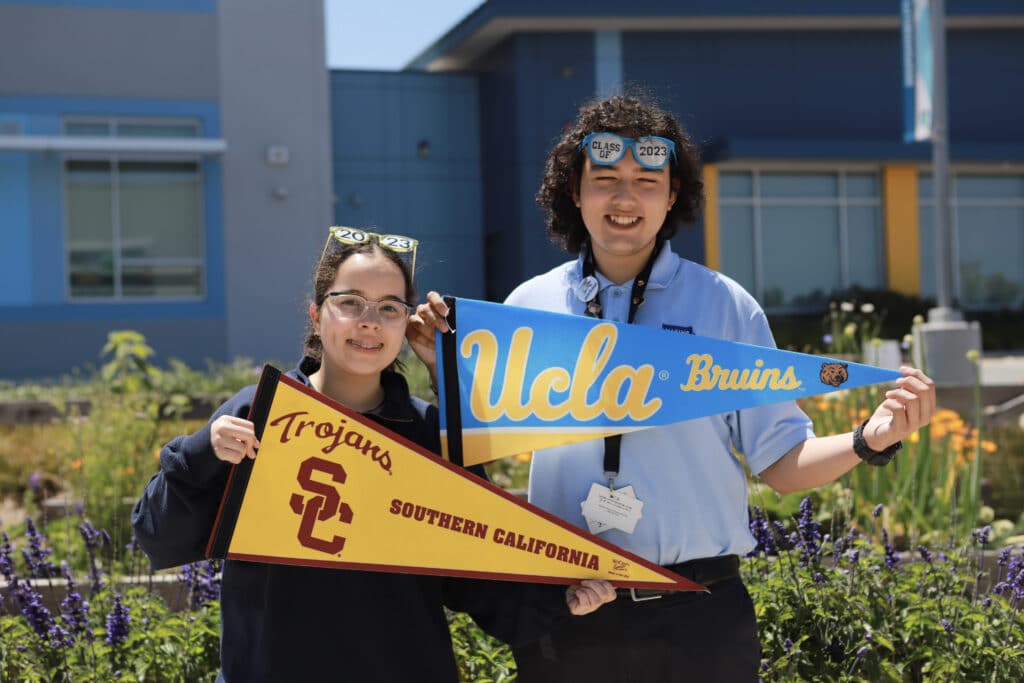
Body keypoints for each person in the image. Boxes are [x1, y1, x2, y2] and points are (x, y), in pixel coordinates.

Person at [411, 94, 936, 682]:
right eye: (605, 179)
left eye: (646, 182)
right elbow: (474, 449)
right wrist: (441, 370)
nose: (625, 198)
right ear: (574, 193)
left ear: (672, 196)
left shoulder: (724, 304)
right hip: (568, 612)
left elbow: (783, 465)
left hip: (701, 621)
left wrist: (870, 437)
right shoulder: (527, 306)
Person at [131, 228, 615, 683]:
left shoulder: (428, 433)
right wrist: (204, 451)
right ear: (317, 315)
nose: (368, 321)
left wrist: (563, 595)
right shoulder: (261, 414)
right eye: (350, 303)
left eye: (389, 308)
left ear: (407, 323)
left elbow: (479, 571)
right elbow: (157, 536)